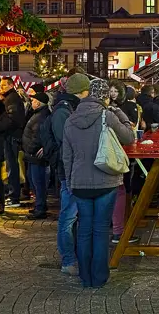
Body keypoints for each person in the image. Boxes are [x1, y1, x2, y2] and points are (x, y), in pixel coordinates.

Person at [63, 78, 135, 288]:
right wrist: (118, 111)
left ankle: (85, 277)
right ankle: (100, 277)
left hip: (79, 182)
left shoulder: (70, 119)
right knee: (101, 229)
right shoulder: (108, 115)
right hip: (106, 180)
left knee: (84, 228)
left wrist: (70, 182)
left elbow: (66, 157)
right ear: (105, 96)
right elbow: (129, 136)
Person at [53, 72, 89, 276]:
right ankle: (68, 260)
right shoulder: (63, 111)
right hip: (68, 172)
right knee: (67, 217)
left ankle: (74, 255)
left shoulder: (70, 109)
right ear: (81, 92)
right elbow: (65, 143)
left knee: (74, 216)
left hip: (76, 170)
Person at [108, 80, 138, 244]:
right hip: (114, 155)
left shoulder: (76, 115)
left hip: (94, 163)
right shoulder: (112, 113)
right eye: (110, 91)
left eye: (115, 91)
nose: (112, 94)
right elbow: (128, 134)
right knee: (119, 189)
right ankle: (118, 231)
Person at [22, 93, 51, 219]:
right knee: (35, 181)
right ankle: (39, 206)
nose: (31, 102)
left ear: (38, 102)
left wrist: (31, 149)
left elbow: (38, 136)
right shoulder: (38, 114)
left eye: (33, 100)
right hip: (32, 155)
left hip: (35, 155)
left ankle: (40, 208)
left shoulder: (41, 116)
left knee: (38, 182)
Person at [0, 77, 26, 208]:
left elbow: (12, 119)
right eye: (1, 85)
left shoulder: (12, 98)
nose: (1, 87)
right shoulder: (10, 98)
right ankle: (13, 195)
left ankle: (14, 196)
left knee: (12, 166)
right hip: (11, 136)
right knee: (11, 166)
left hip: (11, 136)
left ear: (11, 85)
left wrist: (0, 125)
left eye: (4, 85)